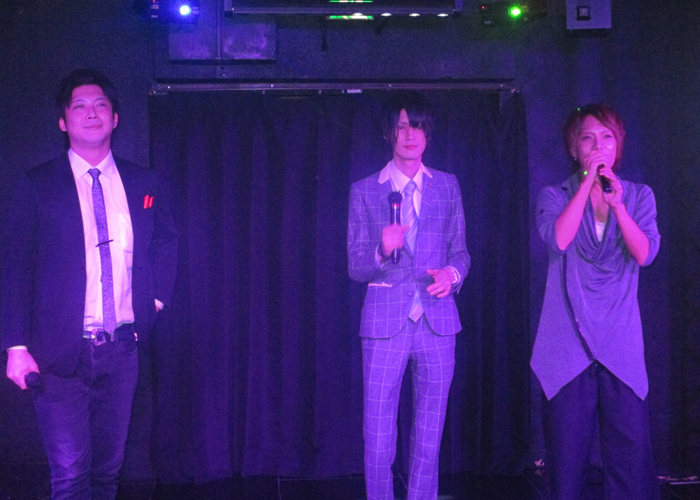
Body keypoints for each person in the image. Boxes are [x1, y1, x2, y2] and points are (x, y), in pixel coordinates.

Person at [0, 68, 178, 500]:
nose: (91, 113)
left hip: (122, 349)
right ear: (63, 122)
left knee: (107, 473)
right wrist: (15, 346)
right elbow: (15, 266)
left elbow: (165, 240)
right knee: (70, 474)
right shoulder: (38, 185)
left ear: (115, 118)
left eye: (100, 104)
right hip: (59, 353)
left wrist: (153, 301)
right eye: (79, 106)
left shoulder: (143, 182)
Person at [531, 103, 661, 500]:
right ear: (574, 148)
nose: (597, 145)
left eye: (606, 137)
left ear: (618, 146)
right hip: (567, 346)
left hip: (620, 345)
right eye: (587, 138)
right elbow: (559, 239)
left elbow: (645, 253)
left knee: (630, 465)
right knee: (566, 467)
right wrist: (587, 185)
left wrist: (617, 205)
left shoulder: (638, 196)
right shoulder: (554, 195)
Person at [347, 91, 470, 500]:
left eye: (417, 126)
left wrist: (451, 275)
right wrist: (382, 250)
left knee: (429, 435)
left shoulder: (447, 186)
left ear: (427, 133)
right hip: (384, 324)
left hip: (438, 322)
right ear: (389, 133)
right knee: (378, 435)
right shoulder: (366, 190)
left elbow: (461, 253)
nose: (410, 134)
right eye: (401, 126)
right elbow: (355, 266)